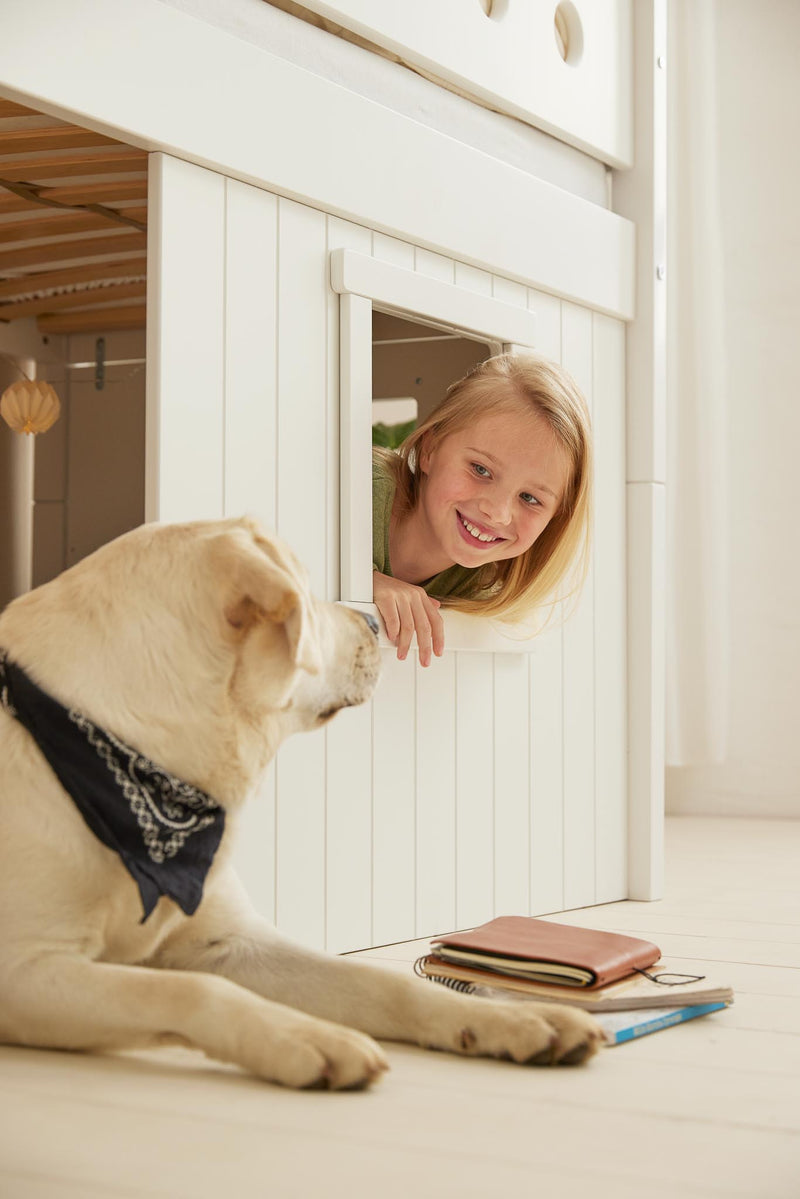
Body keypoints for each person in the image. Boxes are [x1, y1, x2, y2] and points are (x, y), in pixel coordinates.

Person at [372, 351, 592, 666]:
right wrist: (366, 584)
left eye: (530, 498)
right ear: (430, 449)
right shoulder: (363, 490)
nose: (497, 513)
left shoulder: (482, 583)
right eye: (480, 470)